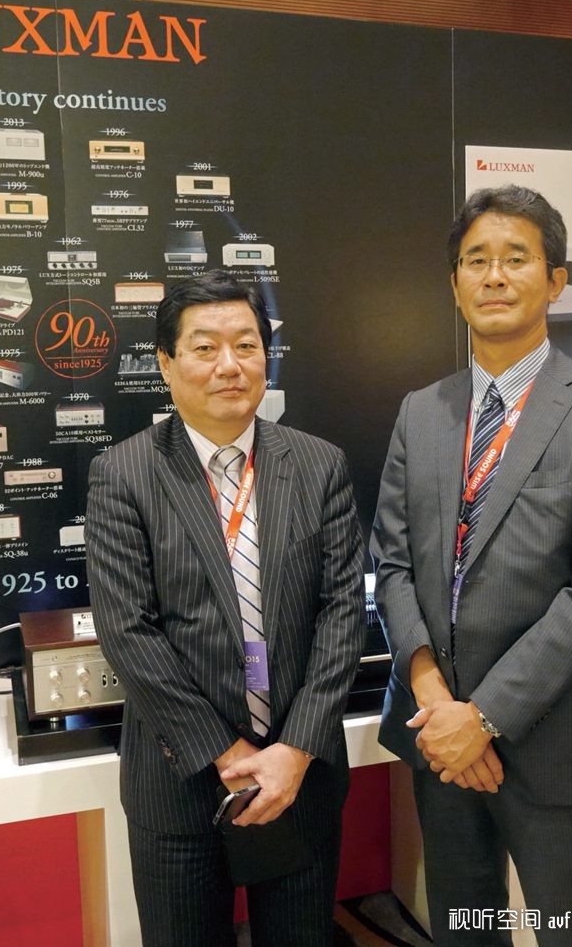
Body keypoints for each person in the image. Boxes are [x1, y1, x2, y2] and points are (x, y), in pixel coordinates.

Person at [371, 185, 572, 946]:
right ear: (454, 284)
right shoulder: (422, 412)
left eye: (515, 258)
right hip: (439, 740)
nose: (494, 276)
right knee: (467, 928)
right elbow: (392, 562)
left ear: (556, 280)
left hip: (556, 745)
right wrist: (435, 698)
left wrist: (483, 718)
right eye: (476, 260)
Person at [85, 270, 366, 947]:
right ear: (166, 363)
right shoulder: (123, 474)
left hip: (299, 774)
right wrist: (229, 755)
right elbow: (129, 632)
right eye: (205, 348)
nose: (229, 365)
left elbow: (342, 614)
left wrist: (293, 751)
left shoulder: (319, 465)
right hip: (179, 782)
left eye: (246, 345)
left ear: (266, 357)